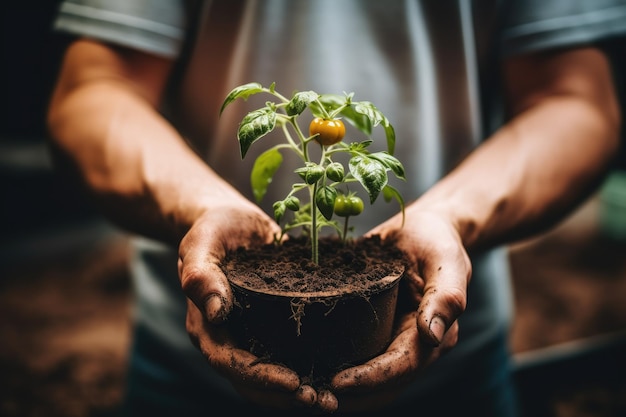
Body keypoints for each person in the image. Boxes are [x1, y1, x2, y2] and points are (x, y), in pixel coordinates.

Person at [46, 0, 624, 416]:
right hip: (189, 373)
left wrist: (449, 216)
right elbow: (94, 90)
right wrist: (202, 204)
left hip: (452, 369)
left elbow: (576, 103)